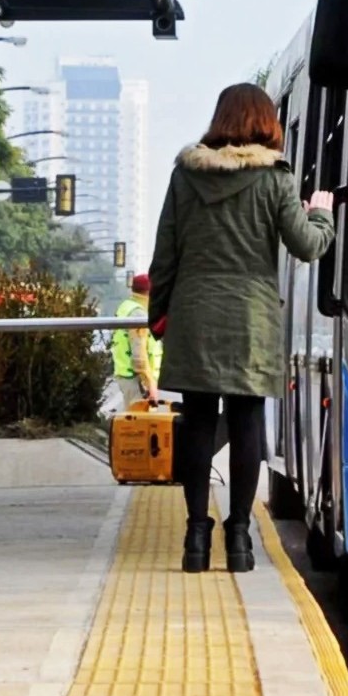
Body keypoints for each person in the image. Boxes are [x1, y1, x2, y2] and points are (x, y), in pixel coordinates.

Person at [148, 83, 336, 574]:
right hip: (250, 317)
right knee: (247, 420)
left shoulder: (185, 176)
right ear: (266, 121)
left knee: (198, 422)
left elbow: (165, 253)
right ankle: (239, 540)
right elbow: (308, 246)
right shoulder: (275, 178)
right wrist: (322, 213)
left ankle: (194, 537)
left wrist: (159, 314)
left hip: (194, 313)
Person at [111, 273, 162, 408]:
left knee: (133, 418)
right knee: (139, 423)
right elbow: (139, 356)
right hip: (137, 379)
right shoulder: (138, 314)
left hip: (128, 375)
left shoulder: (127, 307)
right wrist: (150, 384)